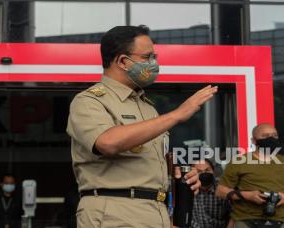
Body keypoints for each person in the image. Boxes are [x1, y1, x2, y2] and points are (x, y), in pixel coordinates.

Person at [67, 25, 217, 227]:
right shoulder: (89, 101)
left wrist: (182, 177)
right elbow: (107, 142)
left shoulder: (148, 108)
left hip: (157, 212)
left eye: (154, 57)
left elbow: (151, 163)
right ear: (122, 61)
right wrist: (177, 114)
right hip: (113, 212)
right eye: (147, 57)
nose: (153, 64)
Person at [217, 123, 284, 228]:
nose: (271, 138)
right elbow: (220, 191)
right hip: (245, 220)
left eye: (274, 136)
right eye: (265, 136)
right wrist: (247, 196)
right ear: (253, 140)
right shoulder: (239, 161)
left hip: (278, 221)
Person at [191, 159, 230, 228]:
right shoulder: (189, 191)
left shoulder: (223, 190)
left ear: (213, 172)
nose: (204, 173)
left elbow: (233, 215)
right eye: (199, 171)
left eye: (207, 170)